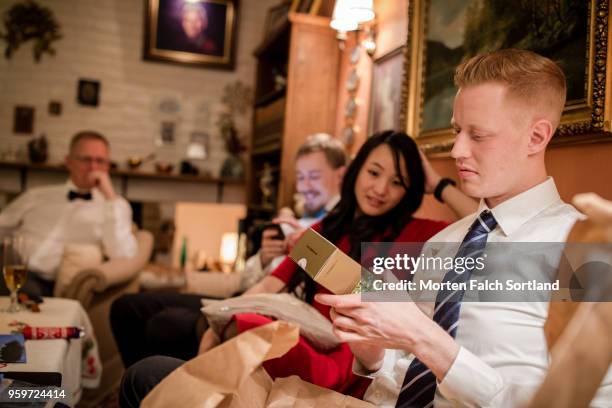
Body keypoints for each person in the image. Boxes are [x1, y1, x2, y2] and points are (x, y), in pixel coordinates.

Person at [315, 49, 608, 407]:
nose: (457, 150)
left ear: (536, 137)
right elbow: (408, 369)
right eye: (457, 131)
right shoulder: (443, 243)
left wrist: (425, 338)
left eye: (478, 135)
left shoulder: (584, 248)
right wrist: (374, 352)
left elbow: (585, 400)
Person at [119, 130, 478, 408]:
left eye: (398, 182)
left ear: (411, 189)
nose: (381, 189)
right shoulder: (324, 231)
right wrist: (223, 312)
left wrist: (438, 183)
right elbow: (272, 285)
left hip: (345, 356)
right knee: (144, 310)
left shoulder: (418, 234)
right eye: (374, 172)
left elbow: (481, 224)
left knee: (178, 328)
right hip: (303, 332)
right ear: (356, 170)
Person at [110, 134, 347, 367]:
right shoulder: (310, 220)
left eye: (313, 177)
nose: (304, 186)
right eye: (300, 177)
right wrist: (264, 258)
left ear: (343, 175)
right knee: (127, 307)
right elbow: (256, 282)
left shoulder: (353, 230)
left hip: (279, 314)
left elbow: (374, 296)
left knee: (165, 324)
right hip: (249, 298)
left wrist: (307, 252)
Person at [0, 131, 136, 297]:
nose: (93, 167)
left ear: (107, 166)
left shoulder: (116, 206)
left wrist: (109, 197)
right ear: (68, 162)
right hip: (12, 270)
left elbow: (122, 254)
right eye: (86, 159)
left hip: (47, 284)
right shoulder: (36, 195)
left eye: (100, 161)